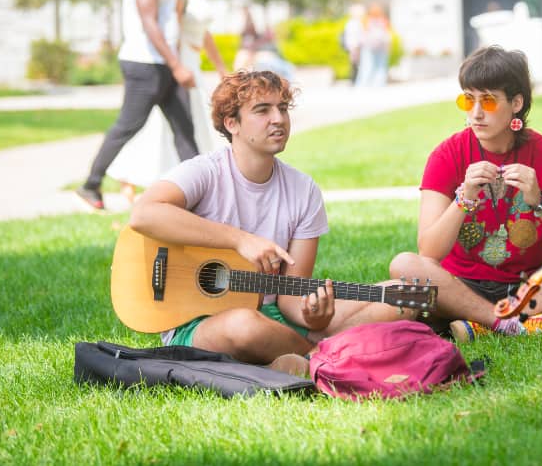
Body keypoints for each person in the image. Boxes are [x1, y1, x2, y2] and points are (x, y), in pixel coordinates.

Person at [129, 70, 419, 370]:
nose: (278, 119)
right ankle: (326, 356)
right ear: (232, 124)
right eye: (262, 110)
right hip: (200, 321)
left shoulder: (303, 190)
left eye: (282, 108)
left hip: (274, 317)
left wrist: (313, 316)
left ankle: (298, 359)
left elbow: (291, 296)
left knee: (399, 298)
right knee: (243, 326)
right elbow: (144, 214)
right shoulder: (205, 172)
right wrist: (240, 240)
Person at [389, 45, 542, 342]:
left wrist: (541, 201)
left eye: (487, 101)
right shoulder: (447, 155)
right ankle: (504, 322)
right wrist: (464, 199)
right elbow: (429, 252)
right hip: (462, 286)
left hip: (533, 285)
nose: (475, 113)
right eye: (468, 100)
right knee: (403, 265)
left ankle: (481, 324)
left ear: (516, 103)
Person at [76, 0, 196, 210]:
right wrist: (177, 64)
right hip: (146, 65)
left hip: (162, 64)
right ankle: (91, 184)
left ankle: (201, 194)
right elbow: (149, 23)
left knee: (184, 129)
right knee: (128, 125)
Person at [106, 0, 228, 203]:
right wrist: (175, 66)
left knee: (188, 124)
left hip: (193, 62)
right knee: (159, 125)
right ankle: (129, 177)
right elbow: (169, 28)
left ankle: (192, 183)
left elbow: (204, 33)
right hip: (178, 61)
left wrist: (221, 68)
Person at [355, 3, 391, 87]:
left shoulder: (367, 21)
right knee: (378, 66)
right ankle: (376, 84)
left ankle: (365, 84)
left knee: (367, 66)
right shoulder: (381, 21)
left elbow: (361, 35)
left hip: (371, 47)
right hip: (377, 47)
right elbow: (387, 35)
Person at [342, 3, 365, 84]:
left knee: (355, 64)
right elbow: (354, 37)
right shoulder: (354, 23)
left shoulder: (352, 23)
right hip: (355, 46)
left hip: (354, 46)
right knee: (355, 64)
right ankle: (354, 81)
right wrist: (354, 47)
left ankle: (354, 81)